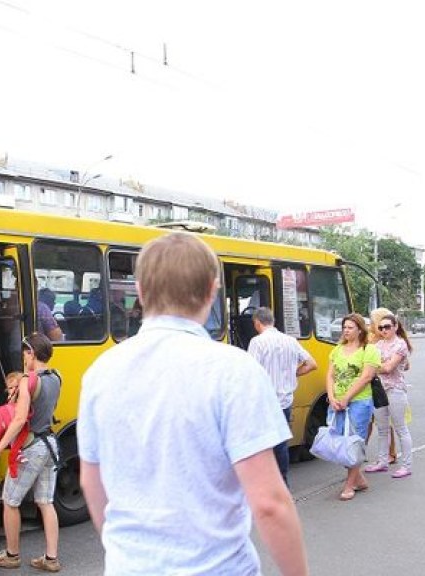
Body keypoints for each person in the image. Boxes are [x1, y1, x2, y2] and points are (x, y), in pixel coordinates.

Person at [78, 233, 308, 576]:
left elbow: (92, 485)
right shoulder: (234, 370)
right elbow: (269, 504)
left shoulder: (99, 373)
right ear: (212, 291)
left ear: (140, 291)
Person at [0, 332, 63, 573]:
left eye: (24, 354)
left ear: (32, 353)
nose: (23, 359)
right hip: (51, 444)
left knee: (10, 501)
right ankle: (51, 559)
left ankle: (11, 555)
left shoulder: (28, 381)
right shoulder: (56, 376)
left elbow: (19, 420)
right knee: (45, 502)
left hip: (32, 448)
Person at [248, 306, 317, 487]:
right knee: (281, 443)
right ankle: (282, 484)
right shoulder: (290, 341)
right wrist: (292, 374)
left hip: (264, 402)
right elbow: (311, 364)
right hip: (285, 402)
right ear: (273, 321)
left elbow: (251, 372)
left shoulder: (257, 342)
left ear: (257, 322)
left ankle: (266, 485)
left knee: (262, 444)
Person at [327, 313, 381, 501]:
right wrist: (332, 396)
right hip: (338, 402)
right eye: (344, 327)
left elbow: (366, 377)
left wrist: (347, 397)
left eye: (350, 327)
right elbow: (330, 375)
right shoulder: (338, 349)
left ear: (360, 329)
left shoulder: (369, 349)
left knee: (354, 443)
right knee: (339, 444)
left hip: (359, 402)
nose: (346, 331)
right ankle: (359, 479)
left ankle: (349, 485)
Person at [365, 312, 414, 478]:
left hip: (395, 389)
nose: (383, 330)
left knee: (401, 428)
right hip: (379, 389)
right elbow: (369, 363)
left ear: (395, 327)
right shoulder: (378, 345)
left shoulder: (400, 345)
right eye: (381, 327)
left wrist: (373, 367)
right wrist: (374, 366)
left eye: (387, 327)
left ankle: (407, 465)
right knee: (382, 428)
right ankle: (382, 461)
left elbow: (388, 368)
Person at [367, 307, 402, 464]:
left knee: (385, 422)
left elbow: (403, 365)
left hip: (384, 387)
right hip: (368, 384)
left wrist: (375, 366)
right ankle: (359, 451)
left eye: (373, 321)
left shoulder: (391, 340)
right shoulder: (369, 337)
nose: (372, 325)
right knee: (367, 420)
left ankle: (391, 453)